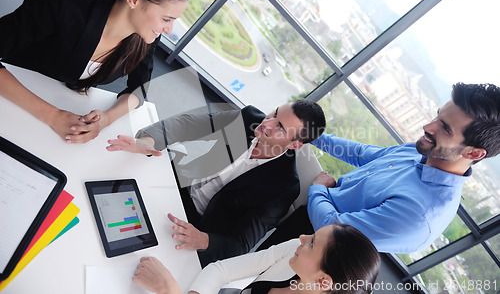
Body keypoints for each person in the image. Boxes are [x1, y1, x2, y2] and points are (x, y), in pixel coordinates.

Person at [260, 83, 500, 254]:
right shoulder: (420, 152)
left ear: (473, 153)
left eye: (445, 128)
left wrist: (319, 191)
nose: (427, 126)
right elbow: (361, 154)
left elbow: (330, 230)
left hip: (313, 252)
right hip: (311, 211)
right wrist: (310, 134)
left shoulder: (420, 216)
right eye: (437, 116)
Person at [106, 99, 326, 266]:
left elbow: (241, 244)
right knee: (108, 201)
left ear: (295, 145)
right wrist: (146, 141)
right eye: (274, 114)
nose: (266, 124)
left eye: (280, 128)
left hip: (196, 226)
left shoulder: (283, 187)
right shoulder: (249, 118)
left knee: (127, 259)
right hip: (175, 185)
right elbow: (187, 125)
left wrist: (203, 240)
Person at [0, 0, 188, 143]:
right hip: (13, 93)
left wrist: (106, 119)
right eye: (166, 19)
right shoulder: (62, 3)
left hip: (56, 104)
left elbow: (139, 89)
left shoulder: (145, 36)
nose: (169, 30)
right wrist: (53, 116)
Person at [132, 224, 381, 294]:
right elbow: (221, 270)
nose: (302, 236)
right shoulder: (295, 250)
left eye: (312, 243)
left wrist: (169, 290)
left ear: (323, 281)